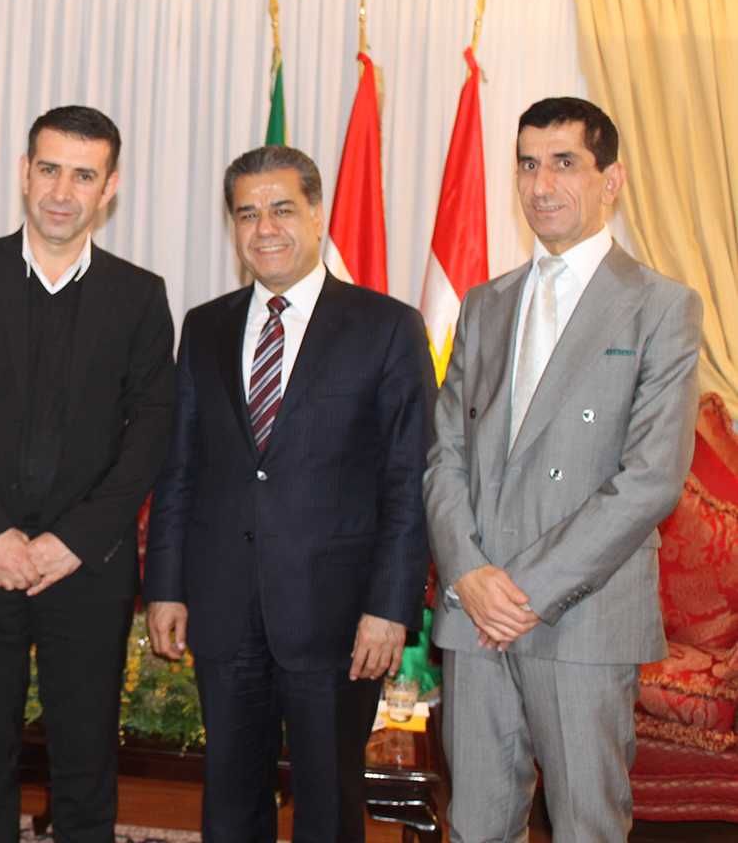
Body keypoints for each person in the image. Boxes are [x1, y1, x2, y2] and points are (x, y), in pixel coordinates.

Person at [426, 97, 702, 840]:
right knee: (476, 826)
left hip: (581, 618)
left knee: (586, 826)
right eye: (527, 164)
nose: (541, 184)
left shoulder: (660, 307)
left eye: (564, 163)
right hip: (475, 614)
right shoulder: (484, 304)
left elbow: (650, 478)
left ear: (611, 180)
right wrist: (469, 573)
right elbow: (443, 451)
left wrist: (527, 591)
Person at [144, 144, 435, 843]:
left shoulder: (387, 327)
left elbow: (408, 480)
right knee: (230, 800)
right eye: (247, 214)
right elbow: (180, 468)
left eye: (281, 209)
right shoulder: (206, 325)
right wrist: (165, 586)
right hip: (222, 609)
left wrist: (389, 610)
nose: (264, 228)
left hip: (337, 619)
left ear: (316, 212)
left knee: (328, 805)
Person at [0, 105, 175, 842]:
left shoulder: (140, 295)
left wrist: (74, 541)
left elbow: (150, 432)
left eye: (83, 175)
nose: (63, 190)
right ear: (25, 173)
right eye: (50, 169)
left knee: (87, 759)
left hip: (85, 571)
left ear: (109, 188)